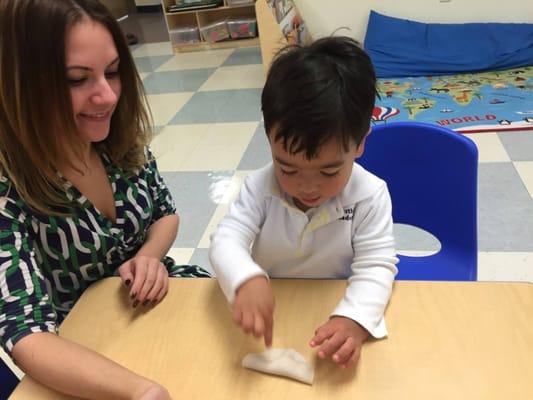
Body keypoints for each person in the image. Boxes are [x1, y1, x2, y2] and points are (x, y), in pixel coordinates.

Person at [0, 0, 209, 398]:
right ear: (22, 84)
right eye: (77, 80)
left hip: (165, 305)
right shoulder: (10, 184)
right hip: (87, 354)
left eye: (113, 72)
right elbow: (25, 333)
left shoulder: (117, 137)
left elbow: (165, 214)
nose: (107, 96)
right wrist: (141, 392)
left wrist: (149, 255)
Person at [209, 36, 399, 370]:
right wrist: (245, 278)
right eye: (287, 167)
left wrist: (354, 318)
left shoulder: (370, 195)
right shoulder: (259, 187)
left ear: (360, 144)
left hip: (334, 306)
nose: (307, 186)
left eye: (329, 170)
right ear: (269, 140)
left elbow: (376, 264)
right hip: (273, 312)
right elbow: (226, 239)